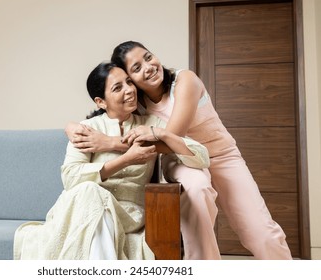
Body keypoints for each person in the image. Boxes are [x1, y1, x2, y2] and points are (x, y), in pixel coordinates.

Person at [111, 41, 293, 260]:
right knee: (196, 190)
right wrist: (74, 128)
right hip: (180, 160)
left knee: (261, 231)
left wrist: (112, 142)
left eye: (148, 57)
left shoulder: (185, 80)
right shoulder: (137, 103)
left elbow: (173, 136)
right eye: (137, 68)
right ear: (131, 80)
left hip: (222, 156)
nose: (148, 67)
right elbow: (105, 114)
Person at [13, 62, 210, 260]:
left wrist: (160, 133)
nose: (129, 90)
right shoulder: (87, 129)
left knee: (92, 193)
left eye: (128, 83)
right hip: (82, 209)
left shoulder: (151, 124)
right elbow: (71, 178)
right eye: (118, 88)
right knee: (89, 191)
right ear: (101, 102)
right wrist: (125, 160)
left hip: (129, 215)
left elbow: (201, 156)